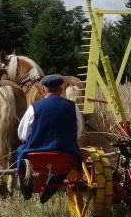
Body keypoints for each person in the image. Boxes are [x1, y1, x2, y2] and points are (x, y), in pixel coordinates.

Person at [16, 74, 84, 202]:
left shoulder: (33, 107)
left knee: (20, 150)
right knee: (66, 164)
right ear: (61, 90)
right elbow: (78, 132)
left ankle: (25, 186)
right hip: (66, 157)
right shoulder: (72, 107)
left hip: (36, 159)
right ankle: (52, 187)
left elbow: (22, 135)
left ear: (43, 90)